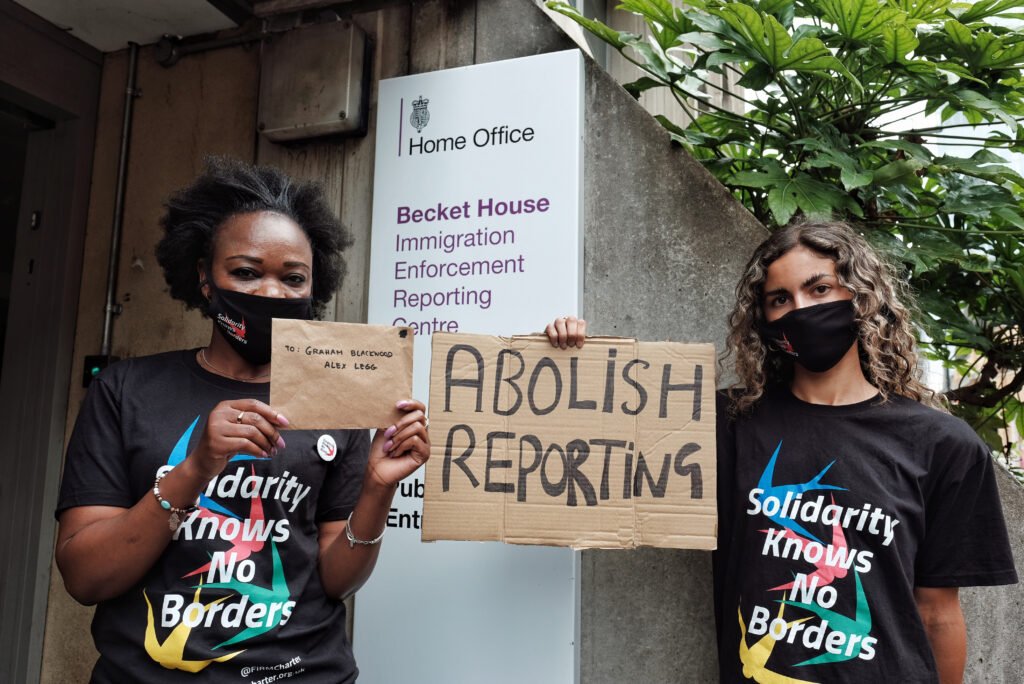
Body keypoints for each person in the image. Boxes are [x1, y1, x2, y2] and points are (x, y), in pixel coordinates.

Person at [545, 220, 1017, 683]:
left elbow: (937, 614)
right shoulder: (721, 425)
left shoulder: (941, 444)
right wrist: (573, 363)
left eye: (820, 290)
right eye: (780, 299)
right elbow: (590, 447)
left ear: (861, 296)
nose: (801, 309)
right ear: (763, 319)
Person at [55, 158, 429, 683]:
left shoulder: (336, 397)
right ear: (205, 278)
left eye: (292, 278)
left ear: (313, 289)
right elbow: (84, 577)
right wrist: (194, 469)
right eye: (246, 272)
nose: (272, 293)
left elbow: (335, 580)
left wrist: (375, 488)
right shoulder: (126, 391)